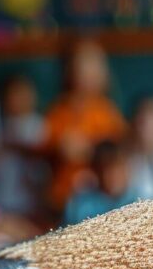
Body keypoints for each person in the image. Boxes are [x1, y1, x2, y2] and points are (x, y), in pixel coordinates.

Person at [43, 38, 126, 212]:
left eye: (96, 63)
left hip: (101, 200)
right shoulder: (59, 111)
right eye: (84, 63)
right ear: (69, 69)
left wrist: (90, 150)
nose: (90, 71)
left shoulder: (107, 112)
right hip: (62, 199)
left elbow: (118, 149)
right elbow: (47, 147)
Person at [0, 74, 49, 218]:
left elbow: (41, 157)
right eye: (14, 94)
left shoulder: (41, 125)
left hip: (33, 201)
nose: (21, 99)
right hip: (3, 201)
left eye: (25, 93)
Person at [63, 140, 135, 225]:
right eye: (103, 169)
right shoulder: (80, 205)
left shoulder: (139, 202)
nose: (110, 176)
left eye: (115, 169)